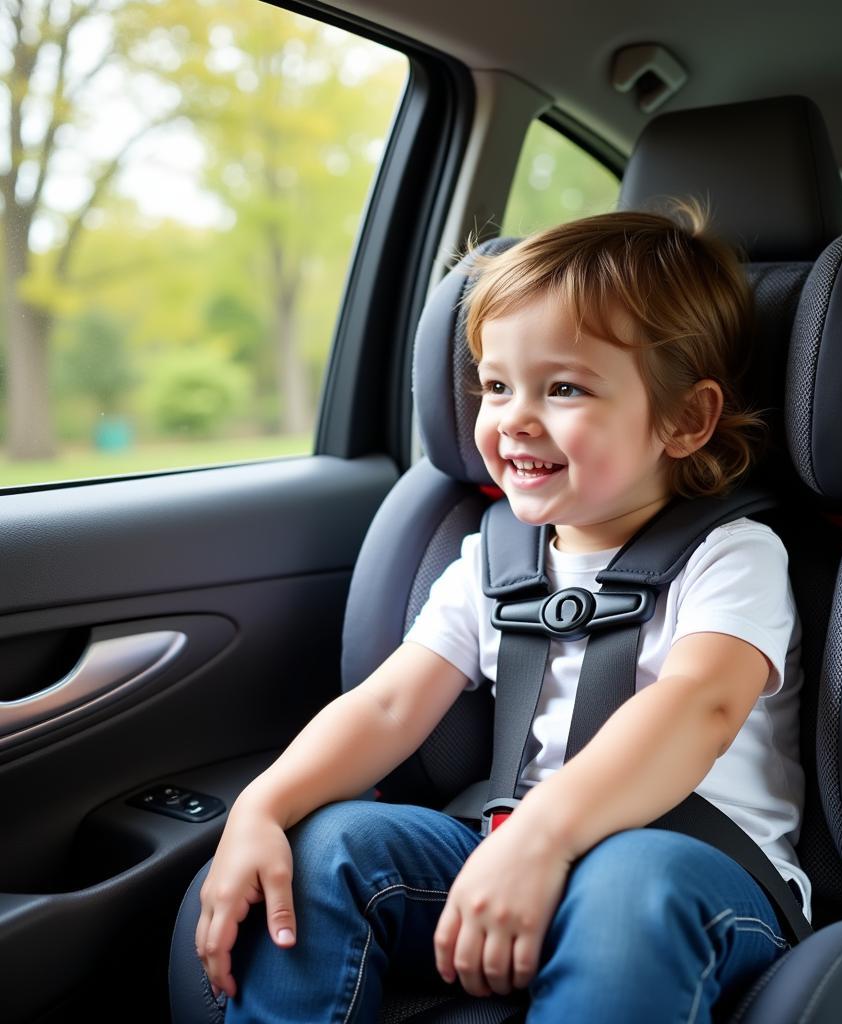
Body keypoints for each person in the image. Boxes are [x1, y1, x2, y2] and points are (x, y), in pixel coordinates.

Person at [194, 202, 807, 1024]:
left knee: (632, 887)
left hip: (693, 871)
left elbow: (699, 704)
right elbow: (388, 703)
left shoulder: (734, 555)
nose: (513, 417)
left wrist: (546, 836)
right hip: (511, 845)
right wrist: (263, 806)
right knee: (330, 849)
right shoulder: (493, 560)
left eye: (563, 388)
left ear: (684, 419)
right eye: (493, 385)